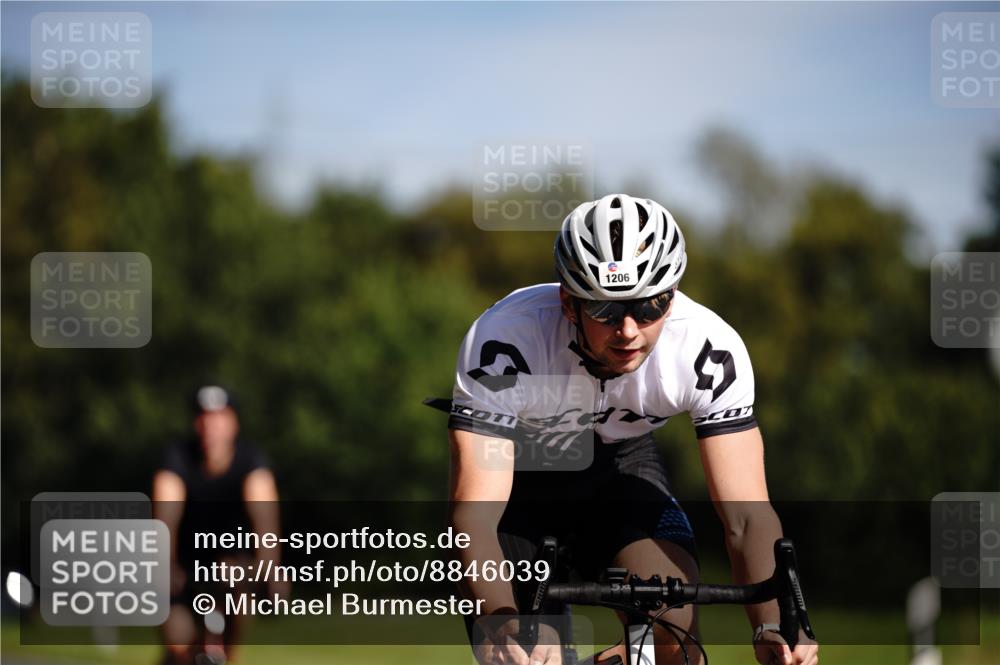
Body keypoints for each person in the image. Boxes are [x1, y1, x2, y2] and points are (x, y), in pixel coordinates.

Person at [447, 194, 819, 665]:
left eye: (649, 306)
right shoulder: (505, 338)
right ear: (568, 302)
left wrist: (773, 624)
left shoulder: (706, 348)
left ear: (674, 294)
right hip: (520, 483)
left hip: (621, 468)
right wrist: (498, 618)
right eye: (604, 309)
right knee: (527, 653)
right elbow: (473, 515)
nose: (627, 330)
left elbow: (746, 517)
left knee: (675, 641)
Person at [152, 385, 285, 665]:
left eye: (219, 417)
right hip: (182, 570)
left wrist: (271, 571)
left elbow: (266, 524)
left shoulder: (251, 462)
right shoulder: (177, 459)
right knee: (179, 648)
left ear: (233, 423)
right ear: (195, 423)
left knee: (236, 581)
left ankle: (227, 655)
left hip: (230, 566)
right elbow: (165, 519)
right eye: (205, 418)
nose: (211, 426)